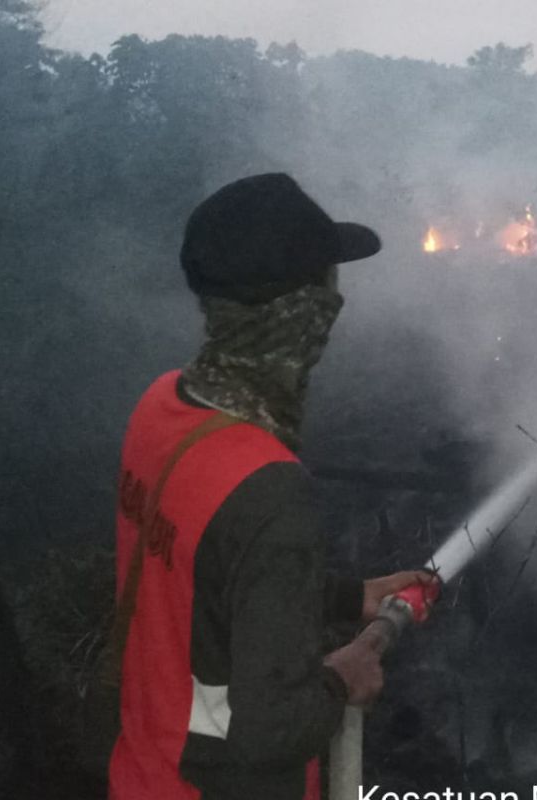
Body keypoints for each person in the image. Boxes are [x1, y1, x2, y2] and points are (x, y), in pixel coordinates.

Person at [108, 173, 433, 800]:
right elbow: (270, 733)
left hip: (142, 775)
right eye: (326, 288)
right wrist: (343, 678)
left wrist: (347, 598)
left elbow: (210, 576)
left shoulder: (161, 407)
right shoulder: (268, 490)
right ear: (300, 314)